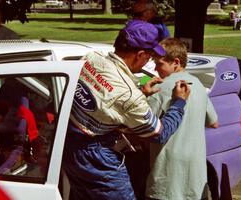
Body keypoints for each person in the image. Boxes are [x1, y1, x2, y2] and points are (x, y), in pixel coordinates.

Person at [62, 20, 190, 200]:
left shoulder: (91, 58)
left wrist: (141, 92)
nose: (149, 64)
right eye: (148, 58)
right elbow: (158, 133)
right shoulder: (129, 96)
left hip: (67, 145)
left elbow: (104, 99)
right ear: (139, 54)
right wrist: (179, 103)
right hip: (97, 156)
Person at [145, 38, 218, 200]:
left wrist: (144, 96)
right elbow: (214, 122)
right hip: (195, 176)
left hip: (167, 174)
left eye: (160, 64)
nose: (156, 70)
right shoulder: (198, 85)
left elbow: (143, 126)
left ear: (176, 62)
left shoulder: (159, 89)